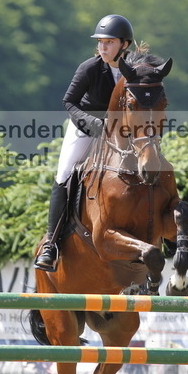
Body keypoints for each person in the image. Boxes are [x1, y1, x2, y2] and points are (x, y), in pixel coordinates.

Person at [34, 14, 134, 271]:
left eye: (109, 42)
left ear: (124, 44)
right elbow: (69, 102)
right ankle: (51, 244)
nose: (103, 47)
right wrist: (93, 124)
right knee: (64, 174)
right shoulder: (90, 68)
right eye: (100, 42)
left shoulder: (133, 70)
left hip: (121, 132)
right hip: (86, 128)